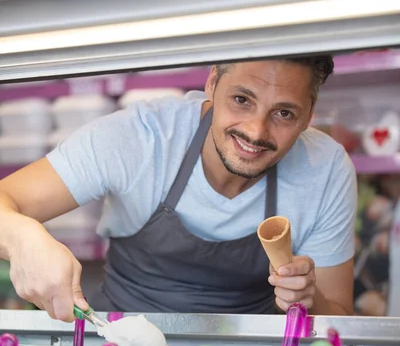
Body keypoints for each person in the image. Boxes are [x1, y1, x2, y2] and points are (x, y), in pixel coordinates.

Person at [0, 57, 357, 322]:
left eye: (284, 114)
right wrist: (24, 239)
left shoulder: (324, 170)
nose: (256, 131)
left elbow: (337, 318)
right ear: (213, 84)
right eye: (242, 100)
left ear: (310, 116)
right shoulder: (140, 137)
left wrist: (308, 300)